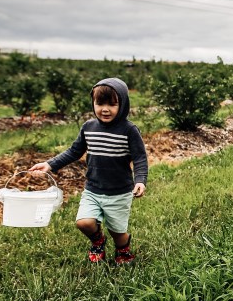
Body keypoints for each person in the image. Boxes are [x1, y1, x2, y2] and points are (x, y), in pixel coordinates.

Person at [29, 78, 148, 264]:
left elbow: (140, 157)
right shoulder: (88, 127)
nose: (105, 109)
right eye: (100, 103)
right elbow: (74, 151)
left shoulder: (129, 130)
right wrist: (50, 164)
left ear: (122, 104)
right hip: (92, 189)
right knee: (84, 222)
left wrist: (140, 180)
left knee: (118, 232)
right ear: (93, 103)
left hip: (119, 192)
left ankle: (122, 250)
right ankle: (98, 241)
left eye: (112, 104)